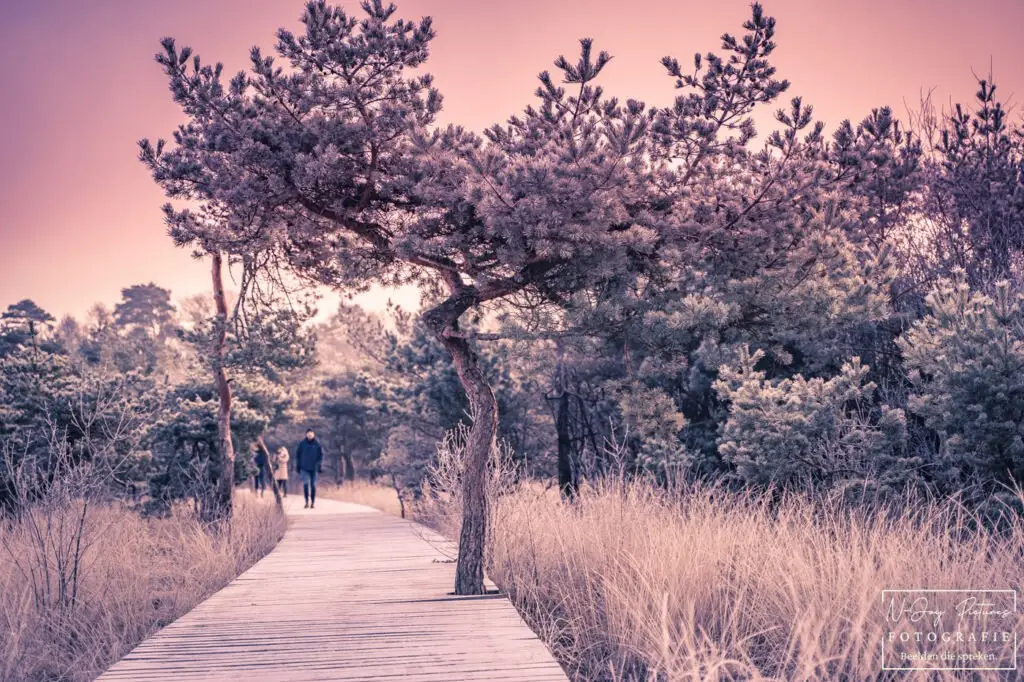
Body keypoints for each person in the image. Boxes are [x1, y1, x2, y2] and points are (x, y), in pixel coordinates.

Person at [295, 429, 323, 509]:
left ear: (313, 435)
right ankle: (306, 502)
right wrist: (298, 466)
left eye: (311, 434)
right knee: (306, 484)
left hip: (314, 468)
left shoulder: (317, 444)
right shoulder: (302, 444)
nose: (310, 435)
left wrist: (319, 465)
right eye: (308, 434)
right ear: (306, 434)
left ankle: (313, 502)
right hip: (304, 467)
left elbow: (320, 456)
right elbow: (298, 455)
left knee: (313, 485)